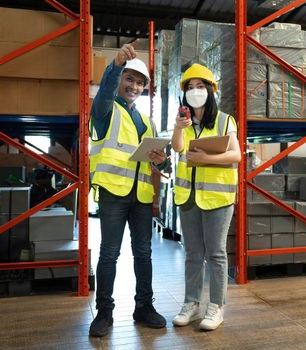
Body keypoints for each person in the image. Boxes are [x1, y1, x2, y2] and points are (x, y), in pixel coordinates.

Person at [89, 41, 168, 337]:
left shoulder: (147, 122)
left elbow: (157, 165)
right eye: (129, 79)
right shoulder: (105, 111)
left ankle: (144, 307)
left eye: (139, 82)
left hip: (142, 196)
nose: (134, 86)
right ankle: (104, 312)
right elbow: (105, 94)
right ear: (120, 80)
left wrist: (162, 164)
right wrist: (115, 65)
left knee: (144, 253)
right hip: (113, 193)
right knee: (109, 254)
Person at [171, 63, 241, 331]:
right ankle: (191, 303)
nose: (195, 91)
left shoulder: (225, 120)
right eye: (190, 87)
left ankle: (216, 306)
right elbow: (177, 147)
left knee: (216, 253)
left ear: (210, 91)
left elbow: (235, 155)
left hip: (217, 198)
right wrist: (178, 126)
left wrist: (207, 159)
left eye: (200, 86)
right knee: (192, 253)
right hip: (188, 196)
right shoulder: (184, 121)